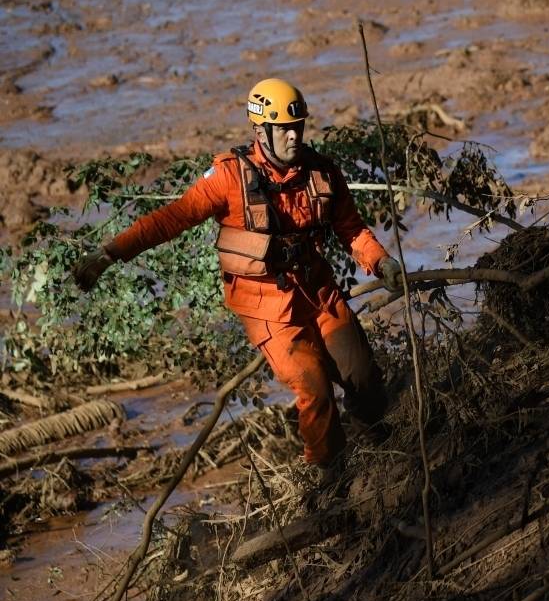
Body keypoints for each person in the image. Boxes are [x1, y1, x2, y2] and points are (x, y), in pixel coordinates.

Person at [73, 78, 405, 474]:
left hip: (319, 294)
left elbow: (351, 229)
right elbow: (171, 219)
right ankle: (329, 481)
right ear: (259, 130)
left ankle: (385, 458)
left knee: (364, 377)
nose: (292, 136)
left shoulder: (322, 172)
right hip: (270, 310)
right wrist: (111, 253)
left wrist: (382, 263)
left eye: (297, 127)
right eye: (282, 128)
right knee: (315, 391)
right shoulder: (230, 177)